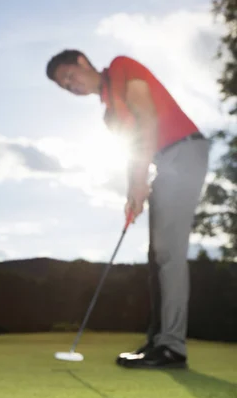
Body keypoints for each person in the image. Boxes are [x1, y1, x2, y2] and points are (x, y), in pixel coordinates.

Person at [46, 51, 210, 369]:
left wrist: (139, 182)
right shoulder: (108, 116)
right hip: (165, 162)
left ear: (82, 61)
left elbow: (147, 117)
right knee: (157, 255)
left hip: (184, 150)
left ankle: (172, 348)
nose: (71, 86)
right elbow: (131, 149)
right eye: (64, 86)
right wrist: (132, 192)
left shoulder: (121, 67)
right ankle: (158, 341)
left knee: (168, 253)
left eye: (69, 76)